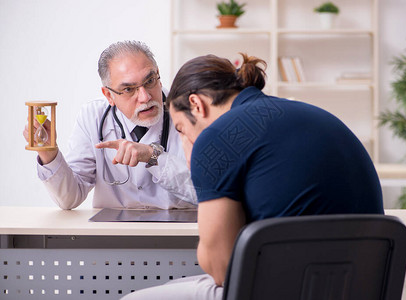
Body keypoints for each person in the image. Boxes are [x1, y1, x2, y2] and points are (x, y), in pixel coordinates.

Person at [120, 53, 384, 300]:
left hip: (282, 289)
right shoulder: (310, 113)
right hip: (362, 286)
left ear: (196, 104)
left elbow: (221, 268)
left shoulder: (217, 137)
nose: (186, 140)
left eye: (181, 129)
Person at [23, 41, 196, 210]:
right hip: (113, 232)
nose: (145, 97)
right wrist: (49, 154)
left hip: (177, 231)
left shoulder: (191, 112)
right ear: (108, 95)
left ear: (158, 75)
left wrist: (154, 156)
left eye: (150, 81)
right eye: (129, 89)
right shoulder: (93, 116)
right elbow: (70, 198)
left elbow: (207, 190)